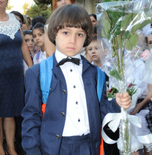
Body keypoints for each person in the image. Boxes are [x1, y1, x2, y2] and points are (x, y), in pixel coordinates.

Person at [21, 4, 131, 155]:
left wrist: (116, 104)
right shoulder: (38, 73)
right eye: (66, 32)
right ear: (54, 33)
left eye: (79, 34)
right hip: (53, 148)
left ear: (86, 37)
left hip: (88, 146)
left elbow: (100, 110)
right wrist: (32, 149)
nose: (72, 40)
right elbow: (31, 115)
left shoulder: (97, 74)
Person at [0, 0, 33, 155]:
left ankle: (12, 150)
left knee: (11, 113)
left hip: (16, 76)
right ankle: (0, 151)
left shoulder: (13, 20)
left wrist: (31, 67)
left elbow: (23, 45)